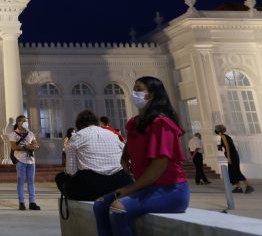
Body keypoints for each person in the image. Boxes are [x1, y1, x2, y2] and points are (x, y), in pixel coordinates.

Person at [94, 76, 190, 236]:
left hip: (171, 190)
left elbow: (159, 166)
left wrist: (130, 189)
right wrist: (124, 158)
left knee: (118, 208)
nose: (134, 93)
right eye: (134, 89)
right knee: (100, 204)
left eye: (139, 89)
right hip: (147, 188)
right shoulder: (135, 122)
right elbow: (131, 145)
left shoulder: (162, 124)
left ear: (151, 95)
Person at [55, 110, 131, 201]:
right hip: (120, 183)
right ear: (97, 122)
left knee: (60, 177)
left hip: (92, 188)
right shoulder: (112, 134)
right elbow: (126, 157)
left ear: (79, 124)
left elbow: (71, 171)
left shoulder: (77, 136)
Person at [9, 115, 40, 210]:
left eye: (26, 120)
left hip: (31, 160)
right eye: (23, 121)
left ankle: (32, 202)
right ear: (18, 123)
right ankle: (21, 202)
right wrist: (26, 147)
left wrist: (34, 147)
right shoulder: (13, 134)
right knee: (21, 181)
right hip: (20, 160)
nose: (25, 122)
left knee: (31, 181)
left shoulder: (30, 133)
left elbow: (35, 144)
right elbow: (14, 147)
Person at [215, 125, 254, 193]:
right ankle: (238, 187)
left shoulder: (223, 136)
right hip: (233, 155)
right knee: (232, 172)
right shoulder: (226, 136)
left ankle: (248, 186)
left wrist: (229, 157)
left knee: (236, 171)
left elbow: (227, 147)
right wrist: (221, 146)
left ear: (218, 130)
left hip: (232, 156)